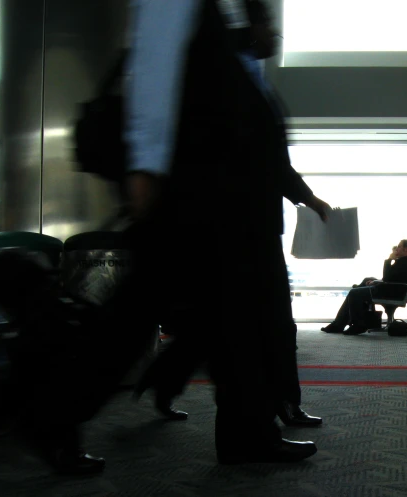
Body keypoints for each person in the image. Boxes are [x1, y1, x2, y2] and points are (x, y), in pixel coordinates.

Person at [123, 0, 326, 466]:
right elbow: (157, 78)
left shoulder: (241, 66)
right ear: (249, 25)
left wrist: (303, 196)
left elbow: (265, 151)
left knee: (239, 329)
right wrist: (145, 163)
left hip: (246, 218)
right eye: (268, 24)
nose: (276, 35)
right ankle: (59, 412)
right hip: (226, 215)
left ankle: (250, 428)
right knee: (233, 327)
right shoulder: (214, 50)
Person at [322, 239, 407, 335]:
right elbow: (390, 279)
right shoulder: (406, 262)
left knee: (353, 293)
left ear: (406, 249)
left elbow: (387, 278)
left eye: (399, 246)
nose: (397, 248)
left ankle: (356, 325)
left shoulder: (405, 264)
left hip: (390, 292)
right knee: (366, 280)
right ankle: (339, 323)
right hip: (391, 290)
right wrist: (375, 281)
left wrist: (389, 260)